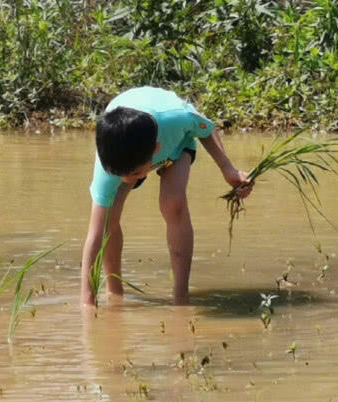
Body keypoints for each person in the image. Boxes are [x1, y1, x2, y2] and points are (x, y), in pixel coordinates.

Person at [80, 87, 253, 306]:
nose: (126, 180)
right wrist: (87, 301)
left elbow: (206, 129)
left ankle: (181, 295)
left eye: (132, 175)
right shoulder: (109, 166)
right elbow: (95, 234)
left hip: (176, 144)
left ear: (156, 150)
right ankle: (114, 291)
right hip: (126, 146)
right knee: (108, 219)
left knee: (173, 204)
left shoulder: (177, 118)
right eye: (119, 175)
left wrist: (228, 170)